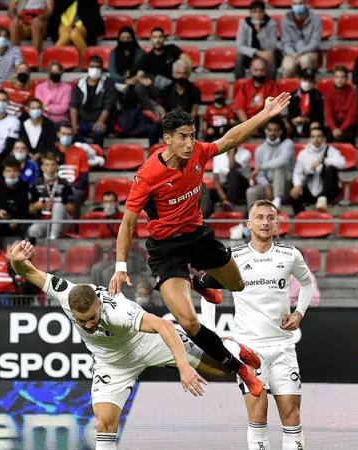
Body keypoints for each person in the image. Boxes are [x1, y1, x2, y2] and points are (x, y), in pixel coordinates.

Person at [108, 92, 292, 399]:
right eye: (182, 137)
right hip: (166, 248)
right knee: (189, 322)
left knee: (238, 284)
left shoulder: (198, 154)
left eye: (192, 136)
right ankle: (239, 368)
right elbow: (127, 223)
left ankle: (201, 280)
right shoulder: (147, 175)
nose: (189, 143)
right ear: (166, 139)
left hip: (197, 235)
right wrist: (120, 266)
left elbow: (230, 139)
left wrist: (264, 115)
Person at [8, 239, 260, 450]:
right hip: (112, 363)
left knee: (221, 369)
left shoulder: (119, 312)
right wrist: (16, 259)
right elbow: (27, 271)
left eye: (91, 319)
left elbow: (165, 326)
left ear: (98, 303)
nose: (87, 326)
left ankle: (227, 345)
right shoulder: (64, 293)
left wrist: (183, 366)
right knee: (104, 423)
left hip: (148, 343)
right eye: (80, 320)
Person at [206, 199, 313, 450]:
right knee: (257, 416)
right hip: (249, 349)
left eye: (270, 217)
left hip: (283, 347)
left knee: (292, 416)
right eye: (260, 217)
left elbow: (307, 284)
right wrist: (210, 332)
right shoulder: (233, 257)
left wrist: (299, 313)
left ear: (276, 223)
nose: (265, 222)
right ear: (249, 223)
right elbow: (206, 287)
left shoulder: (290, 255)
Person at [134, 28, 192, 118]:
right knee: (139, 87)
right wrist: (143, 80)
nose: (157, 40)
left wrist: (185, 76)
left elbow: (188, 61)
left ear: (164, 39)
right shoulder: (147, 57)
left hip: (174, 87)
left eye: (160, 37)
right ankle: (150, 113)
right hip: (158, 89)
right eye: (155, 37)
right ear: (151, 39)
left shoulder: (172, 49)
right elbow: (139, 75)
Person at [290, 125, 346, 214]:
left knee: (331, 168)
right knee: (294, 193)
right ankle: (302, 220)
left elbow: (342, 163)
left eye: (319, 136)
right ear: (310, 138)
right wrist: (297, 185)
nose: (316, 139)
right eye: (313, 137)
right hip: (311, 189)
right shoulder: (303, 154)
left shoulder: (331, 150)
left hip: (329, 192)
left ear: (324, 138)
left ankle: (323, 198)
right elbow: (297, 173)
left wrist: (323, 161)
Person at [149, 60, 201, 144]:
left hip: (187, 123)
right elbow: (163, 113)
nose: (181, 76)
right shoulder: (166, 90)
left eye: (183, 73)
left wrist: (184, 127)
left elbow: (194, 112)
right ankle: (153, 155)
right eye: (178, 73)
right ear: (173, 74)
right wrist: (170, 127)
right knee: (153, 130)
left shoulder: (194, 90)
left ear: (187, 74)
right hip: (170, 123)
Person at [246, 117, 294, 209]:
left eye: (276, 130)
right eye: (270, 130)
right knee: (251, 191)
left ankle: (277, 200)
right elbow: (259, 174)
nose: (273, 133)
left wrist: (261, 166)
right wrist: (266, 186)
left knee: (278, 167)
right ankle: (251, 219)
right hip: (268, 184)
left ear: (280, 131)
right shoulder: (260, 149)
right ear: (265, 131)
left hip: (285, 185)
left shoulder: (288, 144)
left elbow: (282, 160)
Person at [71, 55, 117, 147]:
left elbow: (108, 106)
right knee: (72, 133)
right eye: (92, 66)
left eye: (97, 67)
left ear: (102, 68)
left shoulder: (108, 83)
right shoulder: (80, 83)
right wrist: (74, 125)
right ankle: (88, 150)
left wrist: (100, 122)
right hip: (83, 120)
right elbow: (74, 106)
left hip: (101, 120)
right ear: (87, 68)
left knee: (98, 132)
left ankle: (98, 153)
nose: (94, 69)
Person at [27, 151, 74, 239]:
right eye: (47, 165)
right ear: (42, 167)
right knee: (33, 230)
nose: (50, 168)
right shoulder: (35, 184)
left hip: (63, 221)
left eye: (53, 164)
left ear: (57, 166)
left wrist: (56, 205)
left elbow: (72, 208)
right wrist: (37, 206)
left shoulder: (65, 183)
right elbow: (30, 209)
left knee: (58, 206)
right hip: (44, 220)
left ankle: (53, 238)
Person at [0, 158, 30, 238]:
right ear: (4, 173)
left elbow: (26, 210)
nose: (12, 174)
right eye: (8, 171)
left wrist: (16, 220)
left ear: (19, 173)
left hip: (17, 222)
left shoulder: (25, 188)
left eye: (15, 171)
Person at [235, 0, 278, 80]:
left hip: (265, 52)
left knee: (271, 56)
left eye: (260, 12)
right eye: (254, 12)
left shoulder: (271, 23)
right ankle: (240, 83)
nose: (257, 15)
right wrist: (256, 52)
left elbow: (272, 46)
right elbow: (239, 45)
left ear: (264, 12)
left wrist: (259, 32)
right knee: (239, 57)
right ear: (250, 13)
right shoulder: (244, 23)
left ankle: (271, 85)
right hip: (250, 53)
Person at [280, 0, 321, 78]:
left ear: (306, 3)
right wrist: (294, 54)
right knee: (287, 66)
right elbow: (286, 43)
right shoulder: (285, 21)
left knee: (305, 60)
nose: (297, 6)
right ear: (291, 4)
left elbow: (315, 42)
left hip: (309, 52)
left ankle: (307, 87)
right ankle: (289, 88)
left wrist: (301, 52)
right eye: (295, 3)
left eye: (300, 3)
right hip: (292, 53)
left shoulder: (315, 19)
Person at [56, 121, 89, 217]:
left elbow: (84, 177)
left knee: (77, 194)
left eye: (69, 134)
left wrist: (74, 188)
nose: (66, 137)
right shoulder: (52, 152)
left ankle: (76, 227)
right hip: (55, 187)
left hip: (74, 188)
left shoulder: (81, 153)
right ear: (58, 134)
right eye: (63, 134)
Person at [210, 137, 252, 209]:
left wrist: (231, 151)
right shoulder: (218, 155)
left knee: (232, 173)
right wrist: (222, 195)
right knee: (209, 193)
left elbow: (232, 165)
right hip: (226, 187)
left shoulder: (246, 153)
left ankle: (230, 203)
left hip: (241, 187)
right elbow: (216, 178)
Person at [235, 57, 281, 123]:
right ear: (251, 69)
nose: (259, 73)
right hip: (247, 121)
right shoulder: (244, 86)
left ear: (266, 70)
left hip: (265, 121)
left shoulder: (272, 85)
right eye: (256, 70)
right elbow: (240, 109)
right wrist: (248, 125)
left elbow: (273, 108)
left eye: (262, 70)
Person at [322, 65, 358, 145]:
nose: (340, 80)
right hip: (334, 124)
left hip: (348, 125)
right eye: (337, 77)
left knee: (349, 134)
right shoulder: (328, 94)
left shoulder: (353, 93)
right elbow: (328, 114)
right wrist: (334, 129)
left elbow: (352, 115)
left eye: (342, 77)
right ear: (333, 79)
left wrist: (341, 129)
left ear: (347, 79)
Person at [286, 68, 324, 138]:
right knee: (286, 126)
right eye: (305, 80)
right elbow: (289, 114)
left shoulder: (318, 96)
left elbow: (320, 117)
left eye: (310, 81)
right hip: (294, 124)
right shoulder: (292, 95)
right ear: (300, 80)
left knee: (316, 125)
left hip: (310, 125)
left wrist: (309, 120)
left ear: (313, 81)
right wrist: (292, 120)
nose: (307, 83)